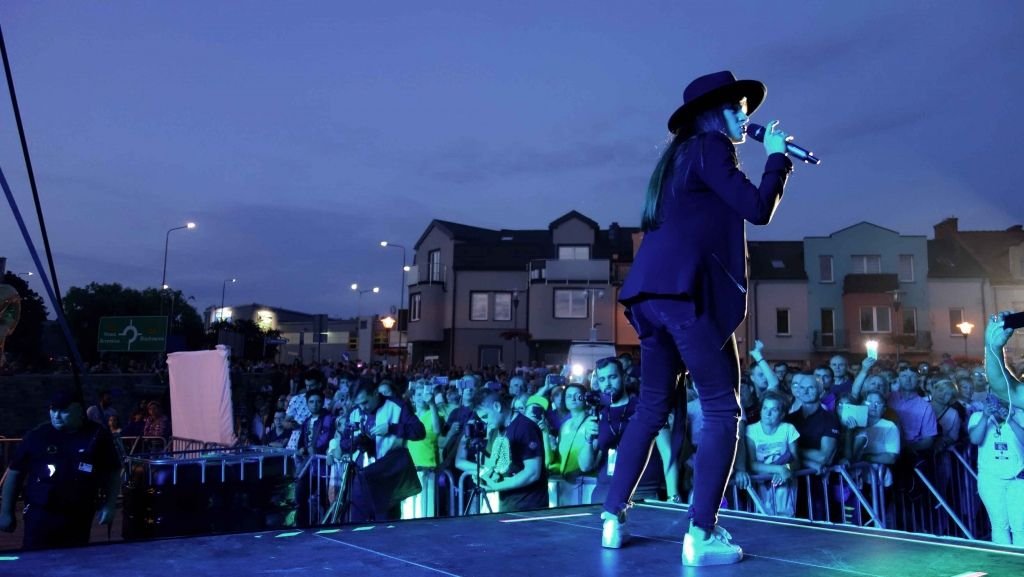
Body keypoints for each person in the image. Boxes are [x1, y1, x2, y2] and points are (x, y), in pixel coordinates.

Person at [603, 70, 795, 567]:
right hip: (686, 296)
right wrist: (777, 157)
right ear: (713, 114)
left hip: (650, 293)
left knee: (651, 407)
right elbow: (757, 208)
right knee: (722, 409)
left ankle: (612, 518)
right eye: (737, 108)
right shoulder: (712, 146)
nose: (745, 116)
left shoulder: (676, 160)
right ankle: (701, 533)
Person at [0, 388, 122, 549]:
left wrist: (109, 504)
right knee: (35, 555)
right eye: (53, 410)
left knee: (73, 556)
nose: (56, 416)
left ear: (79, 411)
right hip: (41, 511)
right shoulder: (37, 436)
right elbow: (15, 473)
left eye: (64, 411)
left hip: (79, 512)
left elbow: (112, 472)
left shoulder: (96, 436)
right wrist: (6, 512)